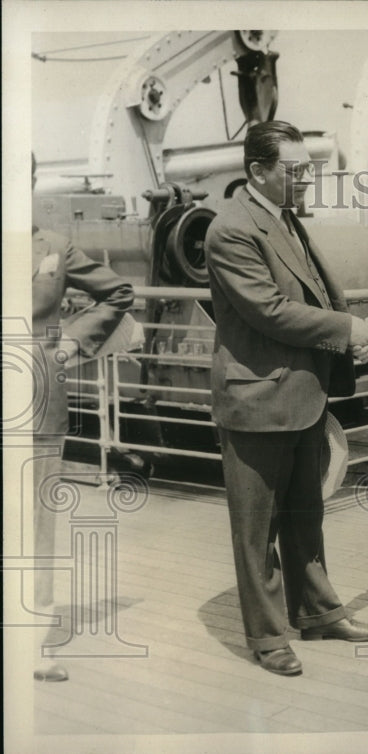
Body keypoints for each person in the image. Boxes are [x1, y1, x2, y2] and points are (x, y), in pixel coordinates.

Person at [205, 121, 368, 677]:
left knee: (305, 516)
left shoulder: (282, 218)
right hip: (258, 401)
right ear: (259, 170)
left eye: (310, 168)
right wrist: (348, 328)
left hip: (301, 396)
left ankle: (317, 611)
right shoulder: (231, 229)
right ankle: (266, 637)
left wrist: (345, 334)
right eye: (296, 170)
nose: (307, 179)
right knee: (255, 531)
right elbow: (268, 310)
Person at [31, 153, 135, 681]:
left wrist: (72, 342)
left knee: (36, 525)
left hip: (37, 402)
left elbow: (119, 292)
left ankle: (33, 644)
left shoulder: (53, 247)